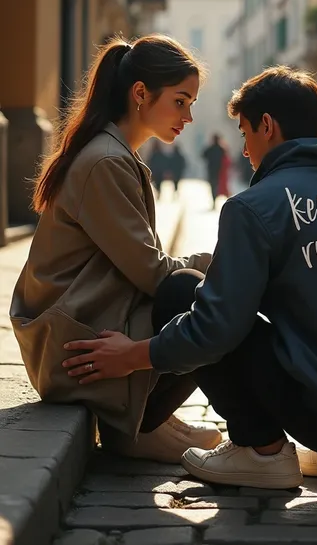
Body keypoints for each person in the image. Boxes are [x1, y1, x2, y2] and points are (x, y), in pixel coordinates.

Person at [61, 66, 317, 489]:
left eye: (244, 134)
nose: (243, 151)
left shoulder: (253, 207)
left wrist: (133, 355)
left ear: (267, 126)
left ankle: (262, 450)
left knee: (182, 289)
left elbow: (215, 328)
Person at [9, 34, 223, 464]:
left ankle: (151, 415)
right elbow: (154, 275)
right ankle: (138, 426)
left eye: (192, 104)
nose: (189, 117)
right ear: (141, 94)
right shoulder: (107, 161)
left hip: (80, 329)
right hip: (74, 350)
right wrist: (227, 261)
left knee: (200, 289)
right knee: (200, 295)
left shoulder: (114, 153)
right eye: (181, 101)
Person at [202, 134, 225, 208]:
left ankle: (214, 200)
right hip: (219, 170)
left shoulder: (211, 148)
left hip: (212, 170)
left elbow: (203, 155)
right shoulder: (221, 149)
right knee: (217, 186)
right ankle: (215, 199)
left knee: (213, 186)